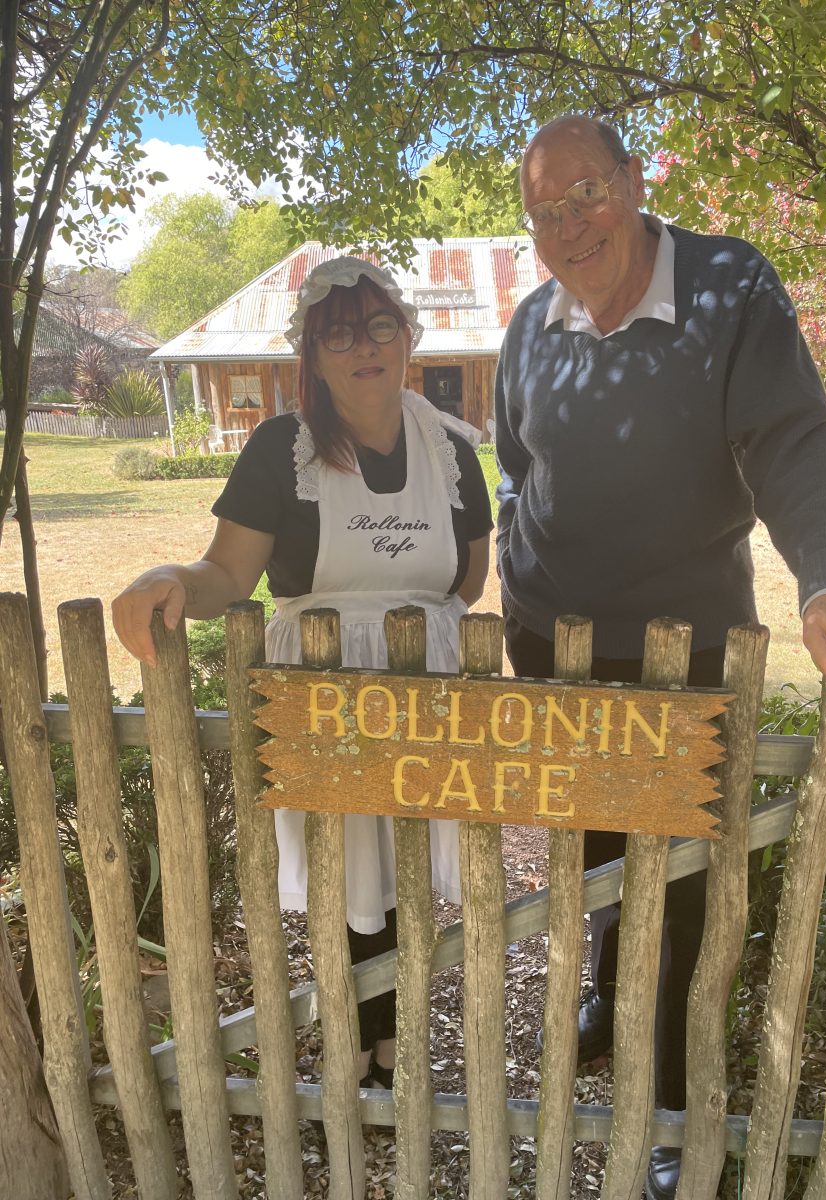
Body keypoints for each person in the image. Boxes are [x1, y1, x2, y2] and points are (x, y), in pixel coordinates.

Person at [495, 115, 826, 1200]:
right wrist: (506, 553)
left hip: (686, 654)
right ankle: (596, 996)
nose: (571, 225)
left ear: (634, 181)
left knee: (678, 895)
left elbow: (791, 440)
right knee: (586, 844)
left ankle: (670, 1108)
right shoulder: (531, 323)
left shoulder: (727, 287)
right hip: (553, 642)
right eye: (545, 211)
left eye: (588, 193)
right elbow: (510, 460)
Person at [113, 256, 493, 1097]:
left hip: (423, 686)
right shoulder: (280, 450)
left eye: (381, 326)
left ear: (408, 336)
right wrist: (168, 579)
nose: (366, 347)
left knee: (404, 876)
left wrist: (406, 634)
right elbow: (225, 576)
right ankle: (357, 1044)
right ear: (313, 356)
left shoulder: (455, 454)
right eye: (341, 333)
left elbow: (465, 584)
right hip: (323, 692)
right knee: (346, 875)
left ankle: (393, 1047)